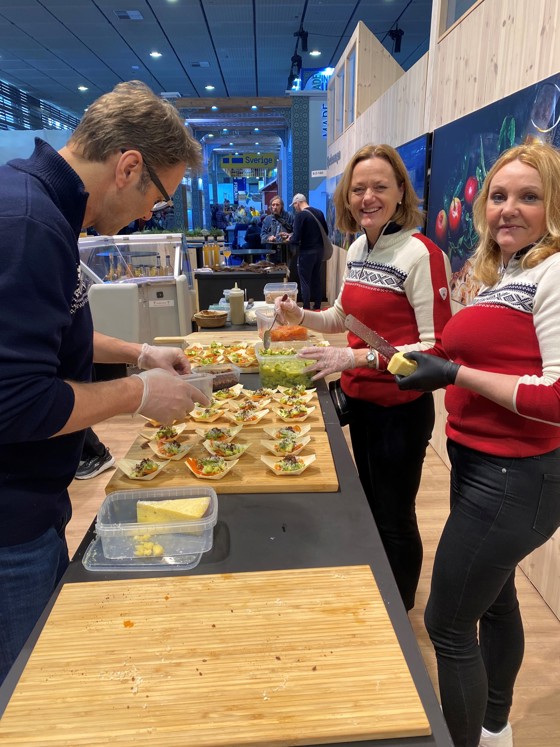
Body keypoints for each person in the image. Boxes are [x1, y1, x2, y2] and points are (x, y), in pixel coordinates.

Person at [0, 80, 210, 686]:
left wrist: (139, 352)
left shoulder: (36, 203)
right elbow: (16, 401)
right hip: (8, 526)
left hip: (31, 505)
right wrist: (139, 394)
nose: (150, 214)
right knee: (33, 695)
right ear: (129, 167)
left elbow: (45, 335)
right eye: (160, 197)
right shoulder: (29, 223)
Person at [395, 142, 560, 747]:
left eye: (529, 197)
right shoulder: (504, 271)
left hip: (517, 478)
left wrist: (456, 377)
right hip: (478, 466)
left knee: (446, 624)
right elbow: (454, 352)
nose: (507, 209)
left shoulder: (555, 271)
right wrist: (364, 355)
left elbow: (557, 397)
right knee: (495, 603)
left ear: (555, 206)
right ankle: (496, 729)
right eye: (498, 196)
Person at [275, 144, 452, 612]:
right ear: (347, 198)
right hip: (362, 402)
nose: (367, 197)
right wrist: (302, 316)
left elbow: (437, 348)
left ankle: (400, 611)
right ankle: (381, 597)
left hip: (400, 408)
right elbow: (344, 319)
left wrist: (356, 362)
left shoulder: (420, 254)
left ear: (400, 193)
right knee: (370, 504)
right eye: (358, 189)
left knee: (395, 516)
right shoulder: (357, 246)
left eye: (379, 187)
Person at [288, 194, 328, 310]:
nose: (294, 207)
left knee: (305, 280)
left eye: (294, 205)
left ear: (298, 203)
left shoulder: (300, 216)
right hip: (319, 251)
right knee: (316, 278)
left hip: (306, 252)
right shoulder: (319, 213)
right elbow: (326, 231)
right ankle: (317, 305)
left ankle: (306, 307)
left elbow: (296, 238)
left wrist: (290, 239)